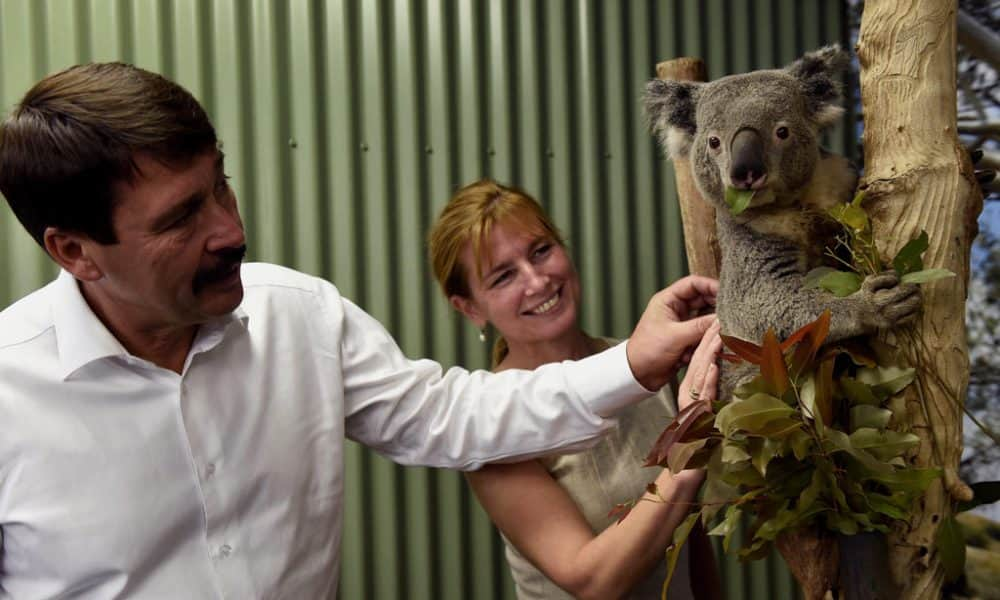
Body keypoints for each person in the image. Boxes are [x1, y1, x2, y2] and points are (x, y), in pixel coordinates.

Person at [0, 63, 718, 597]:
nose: (230, 229)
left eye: (221, 184)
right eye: (180, 218)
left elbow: (451, 416)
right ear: (74, 251)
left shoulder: (298, 318)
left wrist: (632, 361)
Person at [427, 179, 722, 599]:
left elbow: (686, 536)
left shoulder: (641, 364)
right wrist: (688, 455)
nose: (537, 281)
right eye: (503, 276)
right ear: (471, 308)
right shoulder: (488, 426)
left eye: (541, 251)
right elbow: (592, 580)